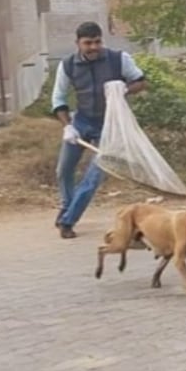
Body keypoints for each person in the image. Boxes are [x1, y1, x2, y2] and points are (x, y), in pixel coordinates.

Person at [51, 22, 147, 239]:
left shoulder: (118, 59)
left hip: (111, 127)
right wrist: (68, 126)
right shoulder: (67, 65)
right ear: (78, 44)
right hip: (81, 122)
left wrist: (125, 88)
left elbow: (141, 81)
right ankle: (67, 205)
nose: (93, 47)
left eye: (97, 42)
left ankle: (68, 221)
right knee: (63, 169)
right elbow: (58, 98)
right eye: (88, 43)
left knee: (93, 178)